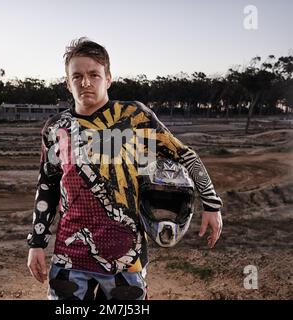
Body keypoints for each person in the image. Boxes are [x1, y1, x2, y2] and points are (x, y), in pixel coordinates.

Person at [27, 37, 223, 300]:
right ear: (67, 82)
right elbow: (47, 187)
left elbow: (185, 154)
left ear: (108, 78)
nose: (85, 82)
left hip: (126, 258)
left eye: (94, 74)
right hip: (70, 257)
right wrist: (36, 244)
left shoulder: (135, 117)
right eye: (77, 76)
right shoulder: (55, 128)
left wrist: (211, 203)